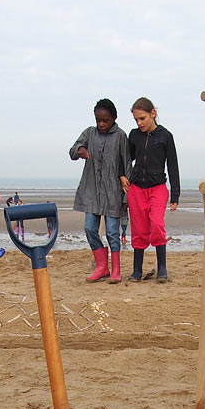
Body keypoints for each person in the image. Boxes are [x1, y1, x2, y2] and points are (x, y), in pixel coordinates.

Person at [71, 97, 130, 284]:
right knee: (90, 228)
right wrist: (80, 149)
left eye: (105, 120)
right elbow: (73, 150)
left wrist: (126, 197)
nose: (101, 124)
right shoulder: (89, 133)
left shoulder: (120, 136)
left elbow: (127, 165)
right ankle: (102, 267)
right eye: (98, 120)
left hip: (113, 193)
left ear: (114, 118)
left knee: (112, 232)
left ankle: (116, 270)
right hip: (91, 192)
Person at [122, 96, 180, 283]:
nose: (139, 123)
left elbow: (173, 166)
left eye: (142, 118)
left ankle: (162, 268)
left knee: (156, 225)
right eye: (136, 120)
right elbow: (126, 159)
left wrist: (175, 195)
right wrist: (122, 175)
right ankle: (137, 271)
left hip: (157, 188)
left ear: (152, 113)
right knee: (139, 230)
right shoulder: (134, 135)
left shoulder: (165, 136)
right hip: (136, 189)